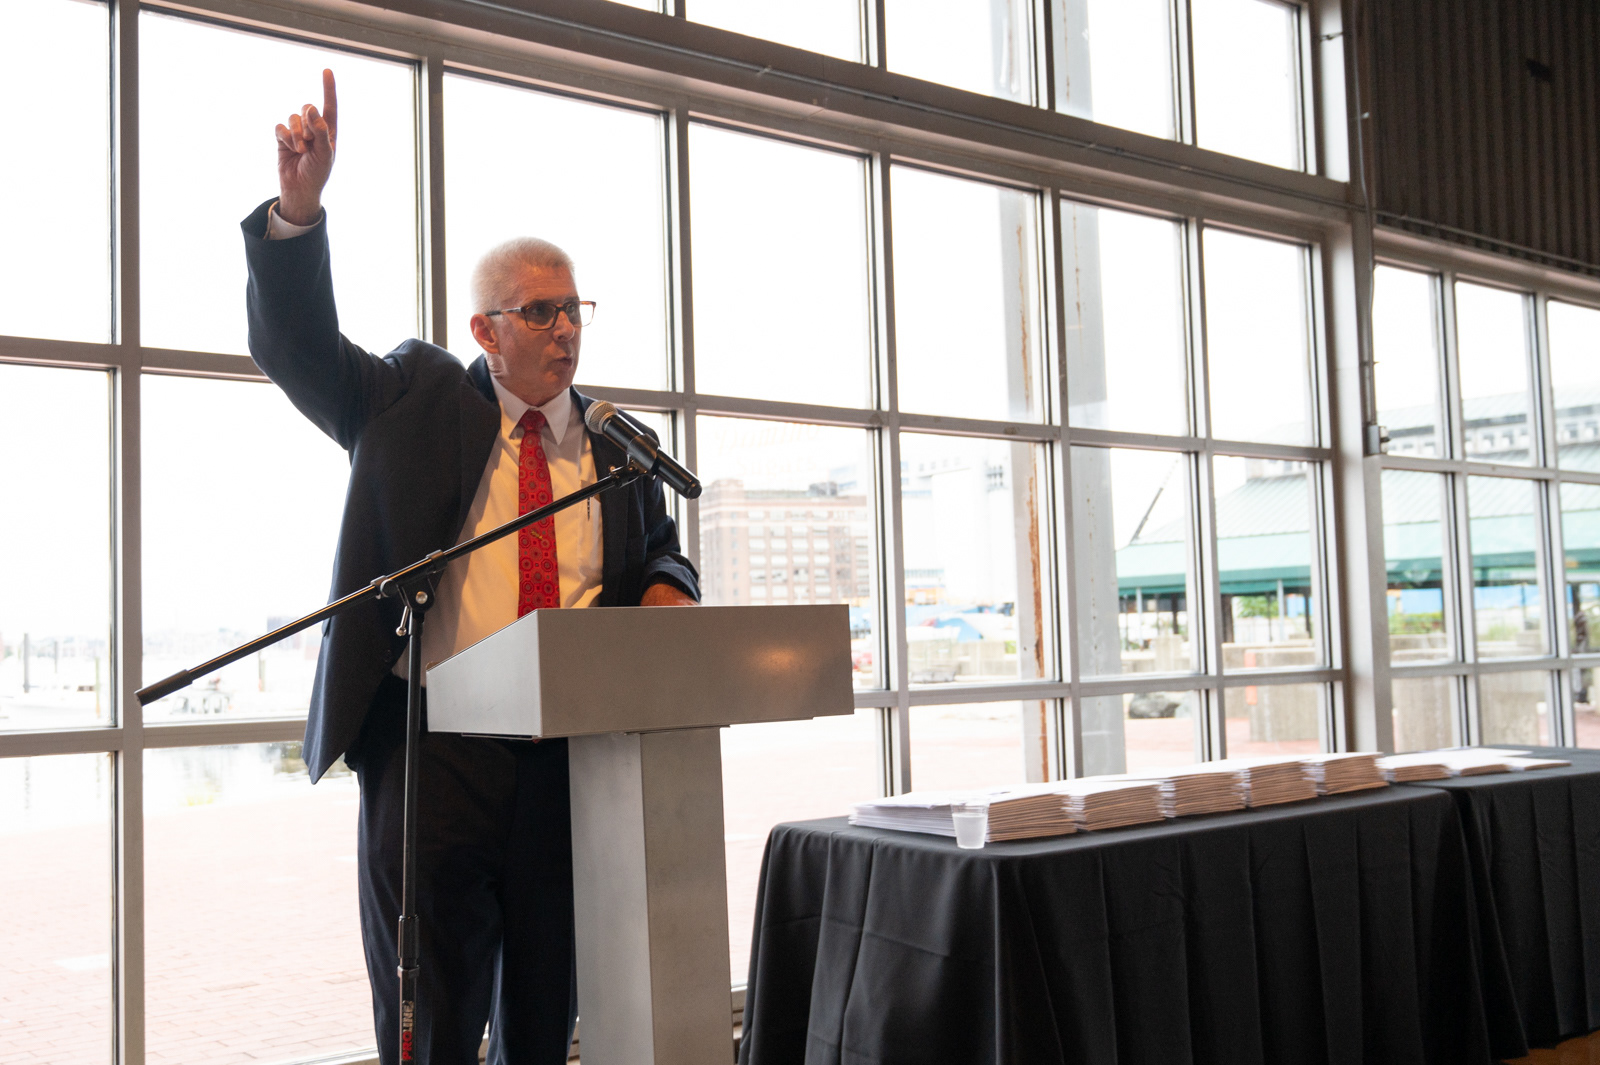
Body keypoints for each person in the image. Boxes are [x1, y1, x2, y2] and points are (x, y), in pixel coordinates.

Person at [244, 69, 699, 1065]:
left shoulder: (619, 445)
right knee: (434, 1022)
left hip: (566, 759)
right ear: (484, 331)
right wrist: (299, 213)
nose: (564, 329)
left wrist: (669, 587)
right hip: (434, 751)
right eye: (539, 311)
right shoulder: (412, 400)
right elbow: (296, 348)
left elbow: (661, 552)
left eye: (574, 309)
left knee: (543, 1013)